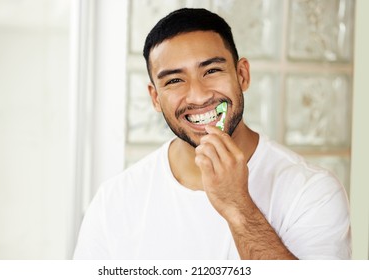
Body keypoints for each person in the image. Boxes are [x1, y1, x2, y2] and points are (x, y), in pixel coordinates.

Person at [73, 8, 351, 260]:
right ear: (155, 98)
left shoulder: (312, 191)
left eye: (212, 70)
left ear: (242, 75)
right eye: (174, 80)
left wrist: (237, 206)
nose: (198, 95)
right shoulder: (114, 202)